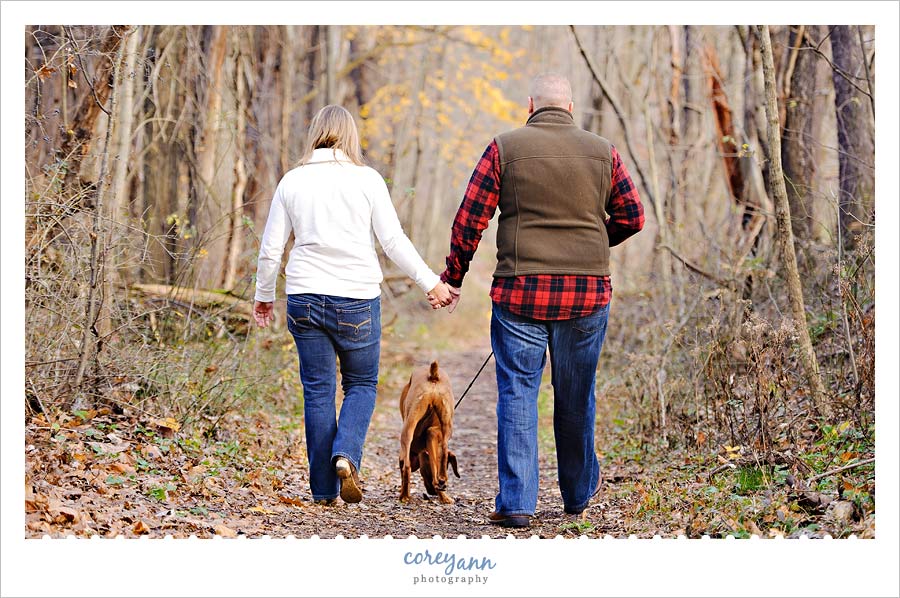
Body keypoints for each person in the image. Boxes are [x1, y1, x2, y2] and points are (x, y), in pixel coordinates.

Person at [439, 74, 644, 528]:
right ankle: (576, 498)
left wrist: (453, 276)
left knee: (517, 394)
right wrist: (593, 244)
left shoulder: (504, 148)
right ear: (570, 107)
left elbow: (470, 218)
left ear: (531, 104)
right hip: (587, 294)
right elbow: (633, 216)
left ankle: (516, 504)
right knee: (575, 396)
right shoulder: (603, 151)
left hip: (519, 292)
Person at [254, 105, 452, 505]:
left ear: (316, 134)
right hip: (357, 299)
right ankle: (346, 455)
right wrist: (431, 282)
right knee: (361, 385)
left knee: (318, 392)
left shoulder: (292, 181)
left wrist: (263, 296)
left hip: (305, 297)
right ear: (350, 137)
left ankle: (324, 490)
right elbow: (392, 241)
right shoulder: (367, 180)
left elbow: (271, 247)